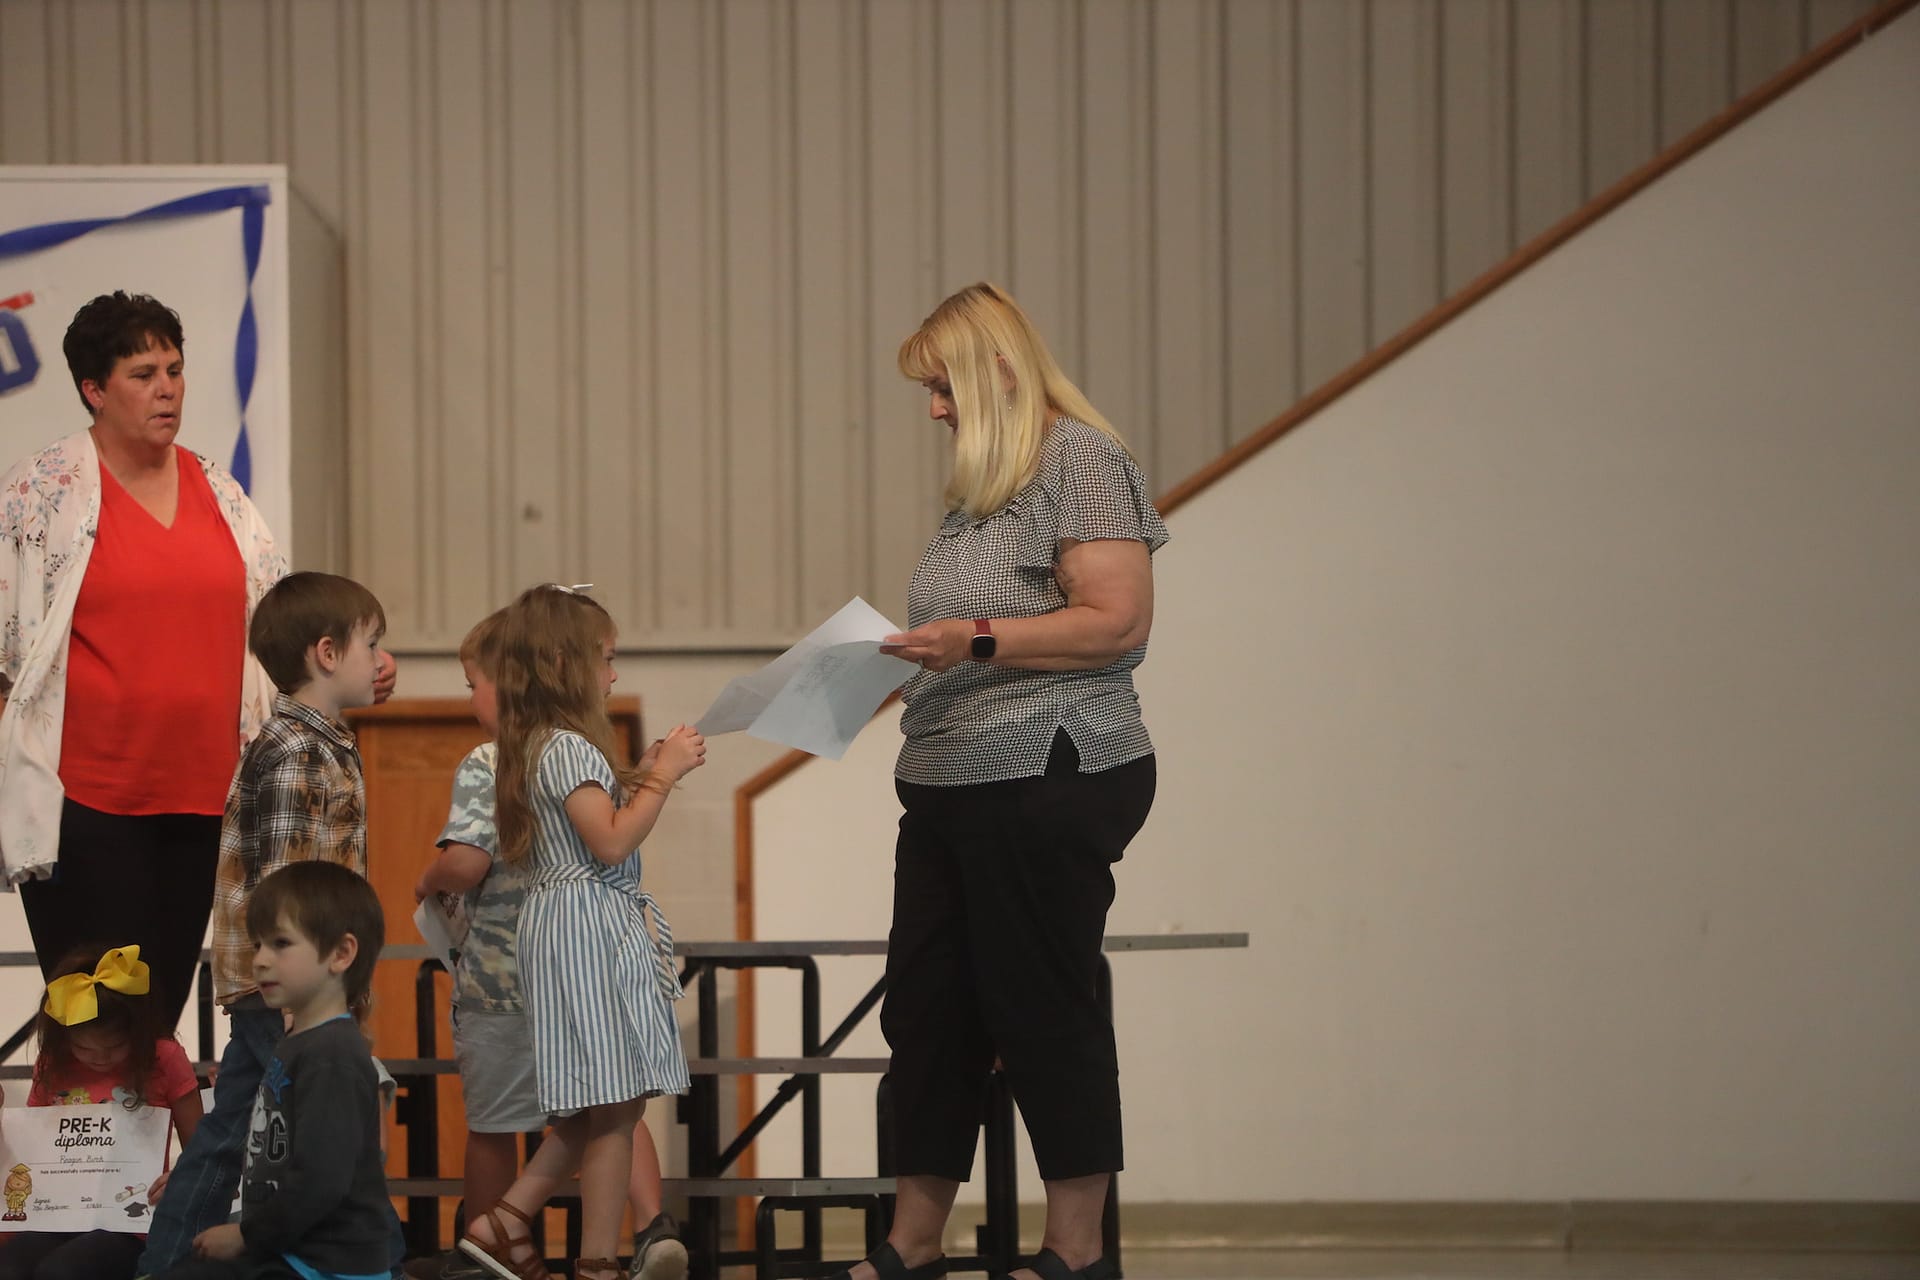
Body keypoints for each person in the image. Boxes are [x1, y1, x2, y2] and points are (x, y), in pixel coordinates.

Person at [863, 284, 1169, 1280]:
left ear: (997, 371)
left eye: (943, 384)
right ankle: (913, 1245)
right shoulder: (977, 496)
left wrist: (975, 637)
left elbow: (1117, 619)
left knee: (1040, 1005)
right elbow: (970, 633)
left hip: (1046, 766)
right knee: (927, 1009)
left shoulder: (1079, 456)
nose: (936, 408)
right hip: (949, 782)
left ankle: (1073, 1252)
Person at [0, 292, 395, 1031]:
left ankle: (155, 1149)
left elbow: (285, 622)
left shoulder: (220, 490)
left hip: (206, 801)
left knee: (156, 1021)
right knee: (91, 1023)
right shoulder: (40, 492)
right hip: (89, 803)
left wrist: (354, 661)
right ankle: (86, 1150)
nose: (167, 388)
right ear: (94, 389)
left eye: (175, 369)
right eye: (144, 372)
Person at [404, 611, 687, 1280]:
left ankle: (508, 1227)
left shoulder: (535, 751)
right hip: (567, 948)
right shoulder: (553, 750)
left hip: (542, 949)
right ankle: (594, 1250)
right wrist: (663, 778)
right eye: (607, 659)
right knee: (612, 1103)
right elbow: (610, 841)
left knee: (604, 1103)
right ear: (565, 670)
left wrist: (640, 778)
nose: (614, 674)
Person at [136, 572, 389, 1279]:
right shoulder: (294, 750)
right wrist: (299, 991)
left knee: (233, 1128)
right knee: (234, 1134)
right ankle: (166, 1266)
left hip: (300, 983)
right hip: (285, 988)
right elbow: (285, 885)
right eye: (373, 644)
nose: (382, 660)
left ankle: (182, 1261)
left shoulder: (324, 741)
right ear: (329, 653)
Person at [160, 860, 393, 1279]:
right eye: (258, 945)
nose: (261, 961)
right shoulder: (300, 1042)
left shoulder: (332, 1054)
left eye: (281, 944)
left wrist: (246, 1236)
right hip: (289, 1249)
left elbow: (322, 1182)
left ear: (341, 953)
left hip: (327, 1265)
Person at [0, 944, 203, 1280]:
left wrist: (181, 1177)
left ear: (137, 1034)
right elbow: (33, 1150)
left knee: (63, 1271)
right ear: (63, 1038)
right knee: (10, 1266)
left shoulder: (163, 1057)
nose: (99, 1058)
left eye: (114, 1047)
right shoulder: (53, 1063)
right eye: (82, 1047)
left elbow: (200, 1147)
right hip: (60, 1213)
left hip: (132, 1220)